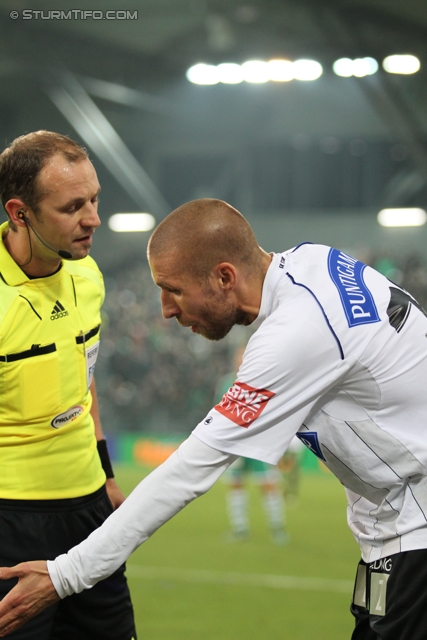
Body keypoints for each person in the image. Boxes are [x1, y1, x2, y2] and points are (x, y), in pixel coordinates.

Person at [0, 198, 427, 639]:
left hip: (416, 535)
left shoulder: (296, 332)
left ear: (225, 277)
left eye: (174, 289)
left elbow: (189, 471)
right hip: (392, 538)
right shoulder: (312, 263)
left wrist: (64, 575)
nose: (166, 308)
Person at [0, 131, 136, 639]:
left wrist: (105, 476)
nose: (93, 219)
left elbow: (86, 378)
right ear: (20, 212)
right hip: (11, 522)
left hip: (90, 516)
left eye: (95, 199)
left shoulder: (89, 275)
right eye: (73, 206)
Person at [217, 346, 288, 543]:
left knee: (268, 485)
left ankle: (277, 528)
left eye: (243, 357)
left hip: (258, 444)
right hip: (235, 445)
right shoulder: (226, 382)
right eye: (237, 357)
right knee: (236, 485)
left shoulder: (261, 380)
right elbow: (220, 413)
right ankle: (239, 529)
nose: (239, 360)